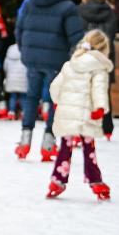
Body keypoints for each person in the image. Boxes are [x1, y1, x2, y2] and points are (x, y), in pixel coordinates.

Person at [15, 0, 84, 161]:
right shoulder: (68, 7)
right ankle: (48, 141)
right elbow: (76, 37)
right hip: (56, 60)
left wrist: (24, 50)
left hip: (32, 58)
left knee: (31, 97)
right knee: (55, 99)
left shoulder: (30, 1)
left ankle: (24, 140)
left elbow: (19, 28)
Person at [46, 30, 114, 201]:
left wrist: (57, 102)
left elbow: (55, 86)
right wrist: (100, 108)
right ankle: (95, 180)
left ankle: (57, 180)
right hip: (87, 114)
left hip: (67, 112)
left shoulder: (71, 64)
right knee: (88, 149)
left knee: (65, 147)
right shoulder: (99, 68)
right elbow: (99, 89)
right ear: (104, 49)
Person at [76, 0, 118, 139]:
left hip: (85, 55)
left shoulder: (78, 11)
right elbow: (111, 34)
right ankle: (107, 128)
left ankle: (83, 127)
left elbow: (77, 33)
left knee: (83, 91)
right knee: (103, 92)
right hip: (104, 57)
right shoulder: (110, 12)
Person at [4, 42, 28, 120]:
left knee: (13, 96)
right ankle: (24, 112)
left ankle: (11, 112)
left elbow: (5, 65)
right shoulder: (25, 49)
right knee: (23, 96)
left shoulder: (10, 49)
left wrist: (7, 74)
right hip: (23, 77)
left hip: (11, 78)